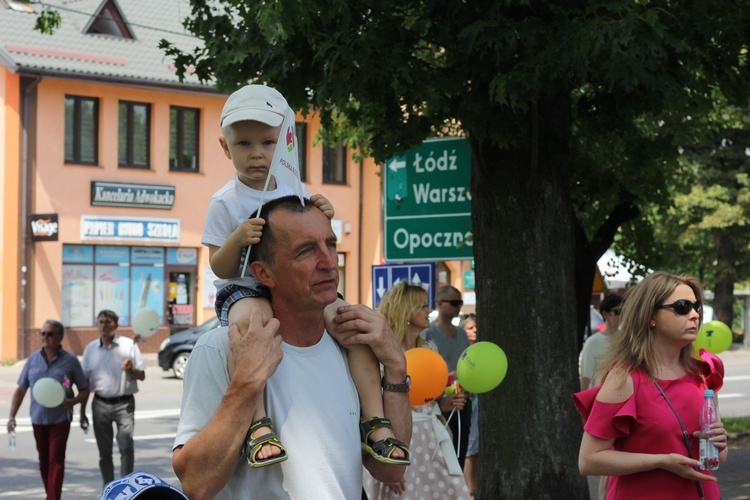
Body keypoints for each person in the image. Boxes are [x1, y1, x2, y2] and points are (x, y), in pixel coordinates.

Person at [203, 84, 402, 466]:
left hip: (294, 286)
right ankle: (258, 425)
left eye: (267, 142)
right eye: (243, 144)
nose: (257, 153)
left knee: (351, 325)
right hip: (244, 289)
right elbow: (218, 267)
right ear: (226, 149)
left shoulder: (295, 187)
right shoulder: (223, 202)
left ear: (284, 145)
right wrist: (236, 240)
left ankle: (375, 421)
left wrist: (321, 211)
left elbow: (311, 236)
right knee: (249, 331)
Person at [173, 195, 412, 499]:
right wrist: (246, 384)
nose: (328, 263)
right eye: (306, 251)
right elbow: (196, 483)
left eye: (331, 244)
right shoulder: (222, 347)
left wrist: (396, 368)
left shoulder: (351, 349)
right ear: (263, 274)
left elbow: (391, 471)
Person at [574, 271, 729, 500]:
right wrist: (662, 461)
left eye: (697, 307)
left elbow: (715, 456)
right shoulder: (624, 378)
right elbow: (589, 461)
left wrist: (720, 443)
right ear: (650, 317)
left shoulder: (704, 374)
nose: (695, 315)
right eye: (682, 306)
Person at [364, 281, 471, 499]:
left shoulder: (429, 349)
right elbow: (372, 405)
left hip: (430, 439)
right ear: (405, 310)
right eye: (422, 306)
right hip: (395, 438)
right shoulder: (381, 352)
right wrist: (389, 464)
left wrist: (445, 403)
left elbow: (429, 399)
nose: (429, 310)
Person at [7, 320, 89, 500]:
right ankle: (50, 495)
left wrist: (73, 402)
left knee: (56, 461)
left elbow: (84, 390)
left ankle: (53, 497)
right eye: (42, 333)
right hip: (38, 419)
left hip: (60, 419)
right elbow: (21, 389)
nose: (45, 337)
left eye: (49, 334)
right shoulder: (32, 360)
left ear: (60, 336)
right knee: (44, 461)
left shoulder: (70, 361)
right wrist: (11, 416)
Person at [81, 310, 146, 486]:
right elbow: (84, 383)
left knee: (125, 447)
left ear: (116, 326)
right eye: (101, 322)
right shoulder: (90, 350)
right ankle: (109, 488)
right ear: (97, 325)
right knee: (104, 452)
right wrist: (81, 412)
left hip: (123, 404)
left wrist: (131, 370)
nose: (104, 325)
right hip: (100, 404)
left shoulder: (128, 345)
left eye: (108, 322)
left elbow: (142, 375)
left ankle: (127, 488)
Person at [421, 285, 471, 468]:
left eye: (461, 303)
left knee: (461, 448)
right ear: (440, 304)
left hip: (464, 398)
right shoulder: (428, 333)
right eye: (455, 302)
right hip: (441, 400)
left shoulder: (462, 334)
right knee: (444, 451)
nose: (459, 307)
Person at [579, 294, 623, 392]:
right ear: (605, 314)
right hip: (601, 401)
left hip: (625, 400)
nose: (621, 316)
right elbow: (585, 378)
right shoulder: (592, 343)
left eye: (624, 312)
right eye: (618, 312)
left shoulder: (627, 341)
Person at [458, 313, 479, 496]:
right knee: (471, 444)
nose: (475, 331)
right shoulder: (462, 351)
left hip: (479, 400)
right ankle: (471, 489)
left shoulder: (482, 350)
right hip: (466, 400)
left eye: (476, 327)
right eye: (470, 328)